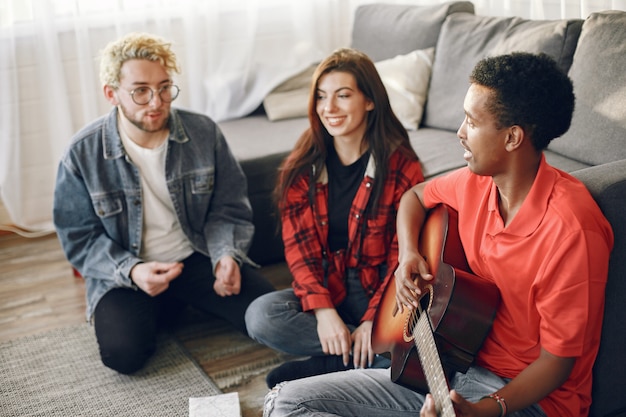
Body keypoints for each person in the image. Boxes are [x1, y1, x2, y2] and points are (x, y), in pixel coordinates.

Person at [262, 52, 613, 417]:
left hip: (524, 401)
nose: (460, 132)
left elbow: (557, 363)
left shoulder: (572, 230)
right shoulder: (475, 182)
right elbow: (414, 197)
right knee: (286, 401)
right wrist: (408, 255)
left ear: (512, 138)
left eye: (472, 122)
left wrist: (482, 410)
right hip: (452, 364)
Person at [52, 32, 275, 374]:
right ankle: (168, 304)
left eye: (164, 87)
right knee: (123, 356)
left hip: (197, 256)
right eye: (140, 91)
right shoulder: (82, 152)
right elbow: (79, 237)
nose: (156, 102)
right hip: (126, 271)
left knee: (271, 317)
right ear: (112, 94)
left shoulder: (203, 133)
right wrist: (132, 270)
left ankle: (173, 302)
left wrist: (226, 255)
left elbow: (228, 206)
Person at [244, 47, 424, 387]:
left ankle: (331, 365)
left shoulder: (401, 166)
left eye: (343, 96)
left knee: (420, 333)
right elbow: (301, 252)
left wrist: (373, 318)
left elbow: (399, 256)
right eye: (321, 97)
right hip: (328, 287)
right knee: (261, 316)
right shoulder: (303, 164)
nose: (329, 108)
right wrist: (324, 313)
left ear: (370, 101)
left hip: (379, 292)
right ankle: (363, 358)